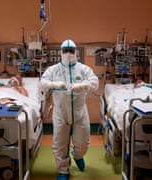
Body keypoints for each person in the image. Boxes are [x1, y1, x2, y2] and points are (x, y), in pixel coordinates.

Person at [40, 39, 99, 180]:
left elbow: (94, 82)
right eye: (65, 51)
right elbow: (42, 83)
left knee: (83, 143)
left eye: (71, 50)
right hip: (60, 112)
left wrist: (82, 85)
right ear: (61, 52)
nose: (68, 53)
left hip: (80, 112)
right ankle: (63, 171)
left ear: (75, 52)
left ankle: (78, 155)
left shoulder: (83, 69)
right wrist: (53, 84)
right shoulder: (53, 70)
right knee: (59, 144)